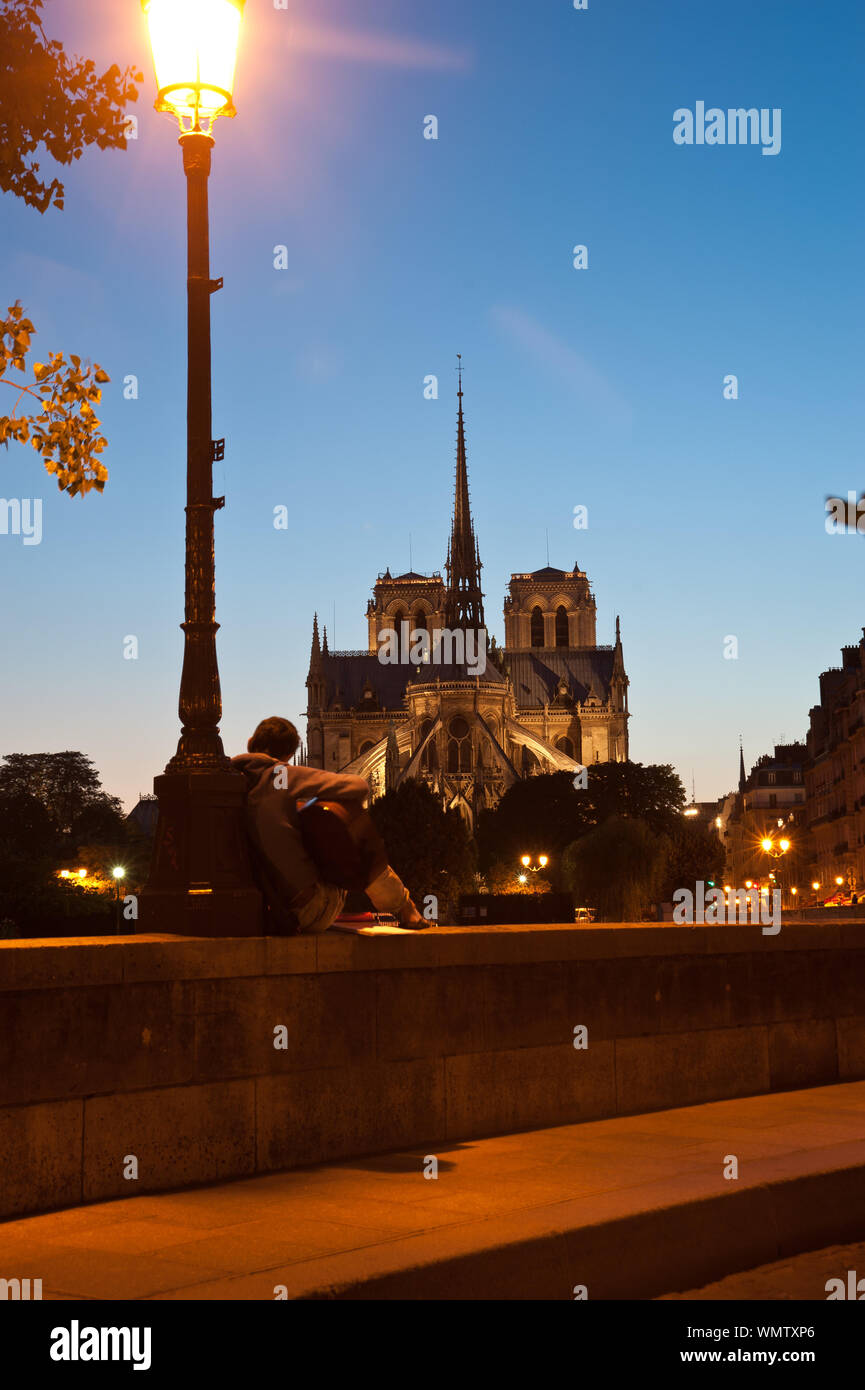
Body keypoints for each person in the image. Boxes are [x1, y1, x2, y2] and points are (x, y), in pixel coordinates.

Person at [232, 716, 426, 933]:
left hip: (259, 911)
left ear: (251, 744)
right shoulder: (280, 776)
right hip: (304, 912)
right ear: (288, 755)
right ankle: (405, 908)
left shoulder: (235, 780)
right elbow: (358, 786)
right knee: (350, 841)